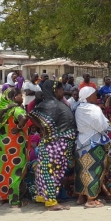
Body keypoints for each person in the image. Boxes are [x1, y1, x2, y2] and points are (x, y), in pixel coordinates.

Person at [28, 81, 76, 211]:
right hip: (55, 143)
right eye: (61, 90)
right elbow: (31, 115)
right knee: (52, 172)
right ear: (55, 90)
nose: (62, 92)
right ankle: (51, 202)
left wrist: (43, 128)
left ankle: (45, 197)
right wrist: (43, 128)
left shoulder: (52, 104)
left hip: (55, 142)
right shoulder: (50, 105)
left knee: (48, 172)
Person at [0, 88, 29, 207]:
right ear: (13, 97)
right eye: (20, 95)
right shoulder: (16, 109)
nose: (22, 98)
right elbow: (24, 118)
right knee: (16, 171)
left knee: (1, 171)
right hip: (14, 144)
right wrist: (18, 127)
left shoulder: (1, 110)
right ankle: (15, 201)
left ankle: (3, 198)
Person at [74, 86, 111, 208]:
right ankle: (90, 199)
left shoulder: (78, 108)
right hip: (93, 143)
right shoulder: (94, 109)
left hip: (81, 143)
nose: (97, 97)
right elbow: (102, 126)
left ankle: (81, 197)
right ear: (88, 96)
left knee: (81, 171)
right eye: (95, 95)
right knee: (95, 170)